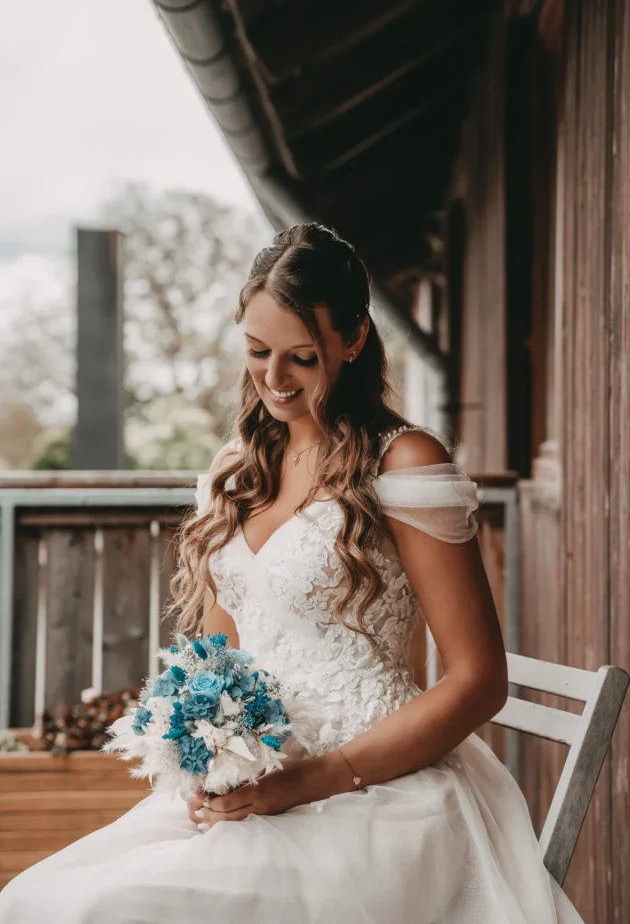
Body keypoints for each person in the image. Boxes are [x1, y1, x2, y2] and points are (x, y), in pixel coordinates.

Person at [0, 223, 583, 923]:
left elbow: (476, 680)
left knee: (121, 909)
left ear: (354, 339)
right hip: (261, 781)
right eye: (257, 352)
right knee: (38, 900)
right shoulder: (235, 471)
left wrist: (314, 780)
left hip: (377, 794)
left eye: (301, 357)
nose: (273, 379)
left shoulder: (403, 464)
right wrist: (205, 758)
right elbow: (220, 661)